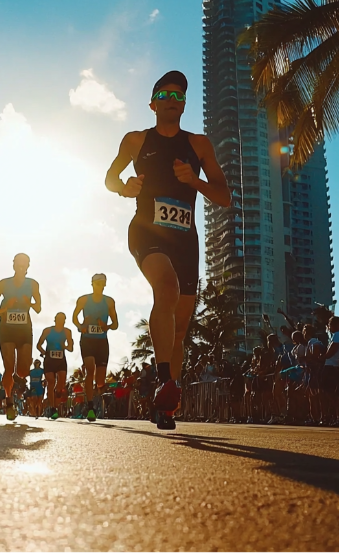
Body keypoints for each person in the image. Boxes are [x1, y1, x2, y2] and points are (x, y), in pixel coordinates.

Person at [104, 70, 231, 430]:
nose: (172, 100)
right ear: (153, 103)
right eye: (165, 95)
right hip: (147, 231)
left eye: (179, 96)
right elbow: (110, 177)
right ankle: (164, 381)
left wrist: (196, 182)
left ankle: (166, 406)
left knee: (179, 329)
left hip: (185, 240)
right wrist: (123, 188)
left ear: (184, 104)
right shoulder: (136, 140)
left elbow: (224, 196)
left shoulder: (200, 144)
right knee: (167, 288)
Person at [0, 253, 41, 421]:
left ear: (28, 266)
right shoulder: (2, 284)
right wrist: (5, 308)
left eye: (24, 263)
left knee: (23, 371)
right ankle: (9, 403)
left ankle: (18, 379)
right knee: (9, 367)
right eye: (18, 263)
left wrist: (29, 303)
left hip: (25, 329)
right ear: (13, 265)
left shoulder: (33, 284)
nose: (21, 266)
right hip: (7, 329)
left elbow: (38, 308)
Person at [72, 273, 119, 422]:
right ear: (92, 284)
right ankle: (90, 406)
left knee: (100, 381)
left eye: (103, 283)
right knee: (90, 370)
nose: (101, 286)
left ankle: (96, 398)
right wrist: (81, 326)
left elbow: (115, 324)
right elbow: (74, 317)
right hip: (87, 340)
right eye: (98, 283)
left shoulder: (110, 301)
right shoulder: (84, 299)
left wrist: (107, 326)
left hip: (102, 342)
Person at [37, 313, 74, 420]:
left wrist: (65, 346)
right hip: (49, 360)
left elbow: (71, 348)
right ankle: (53, 408)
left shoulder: (67, 332)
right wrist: (44, 353)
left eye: (63, 320)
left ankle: (56, 396)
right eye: (59, 319)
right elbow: (39, 345)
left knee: (61, 383)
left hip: (61, 359)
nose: (61, 322)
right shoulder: (48, 331)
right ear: (55, 320)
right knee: (51, 382)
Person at [321, 316, 339, 426]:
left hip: (333, 367)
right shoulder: (338, 335)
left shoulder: (338, 335)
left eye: (330, 324)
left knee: (334, 392)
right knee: (333, 392)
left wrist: (323, 357)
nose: (329, 327)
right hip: (333, 366)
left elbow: (334, 348)